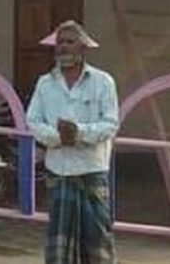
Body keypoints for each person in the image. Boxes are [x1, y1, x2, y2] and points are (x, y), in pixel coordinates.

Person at [27, 20, 119, 264]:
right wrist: (58, 138)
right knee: (60, 246)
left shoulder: (103, 82)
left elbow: (110, 124)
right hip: (59, 172)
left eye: (70, 41)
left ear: (83, 48)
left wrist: (79, 133)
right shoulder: (45, 83)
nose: (64, 47)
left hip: (91, 171)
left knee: (97, 241)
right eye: (60, 42)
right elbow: (33, 121)